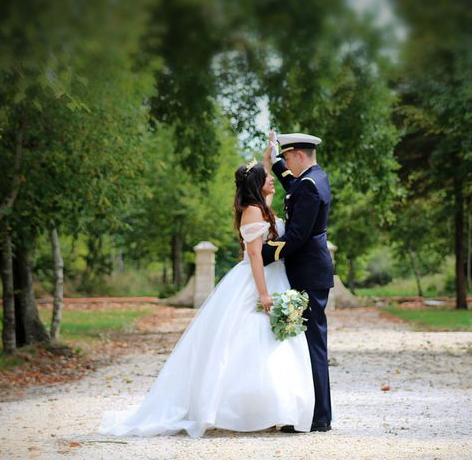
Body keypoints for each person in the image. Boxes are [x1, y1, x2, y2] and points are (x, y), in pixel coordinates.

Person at [98, 141, 314, 438]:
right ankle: (240, 409)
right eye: (267, 178)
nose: (273, 181)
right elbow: (254, 256)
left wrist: (270, 154)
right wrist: (263, 294)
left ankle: (275, 408)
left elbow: (270, 183)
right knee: (250, 342)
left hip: (276, 278)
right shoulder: (253, 212)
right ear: (256, 185)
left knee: (274, 344)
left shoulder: (262, 206)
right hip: (258, 281)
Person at [262, 132, 334, 433]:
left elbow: (296, 237)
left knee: (311, 345)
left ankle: (317, 417)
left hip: (308, 272)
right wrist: (275, 158)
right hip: (312, 272)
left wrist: (259, 253)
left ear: (300, 156)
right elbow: (292, 186)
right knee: (309, 343)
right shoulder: (314, 179)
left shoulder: (309, 186)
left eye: (289, 158)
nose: (288, 164)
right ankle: (315, 414)